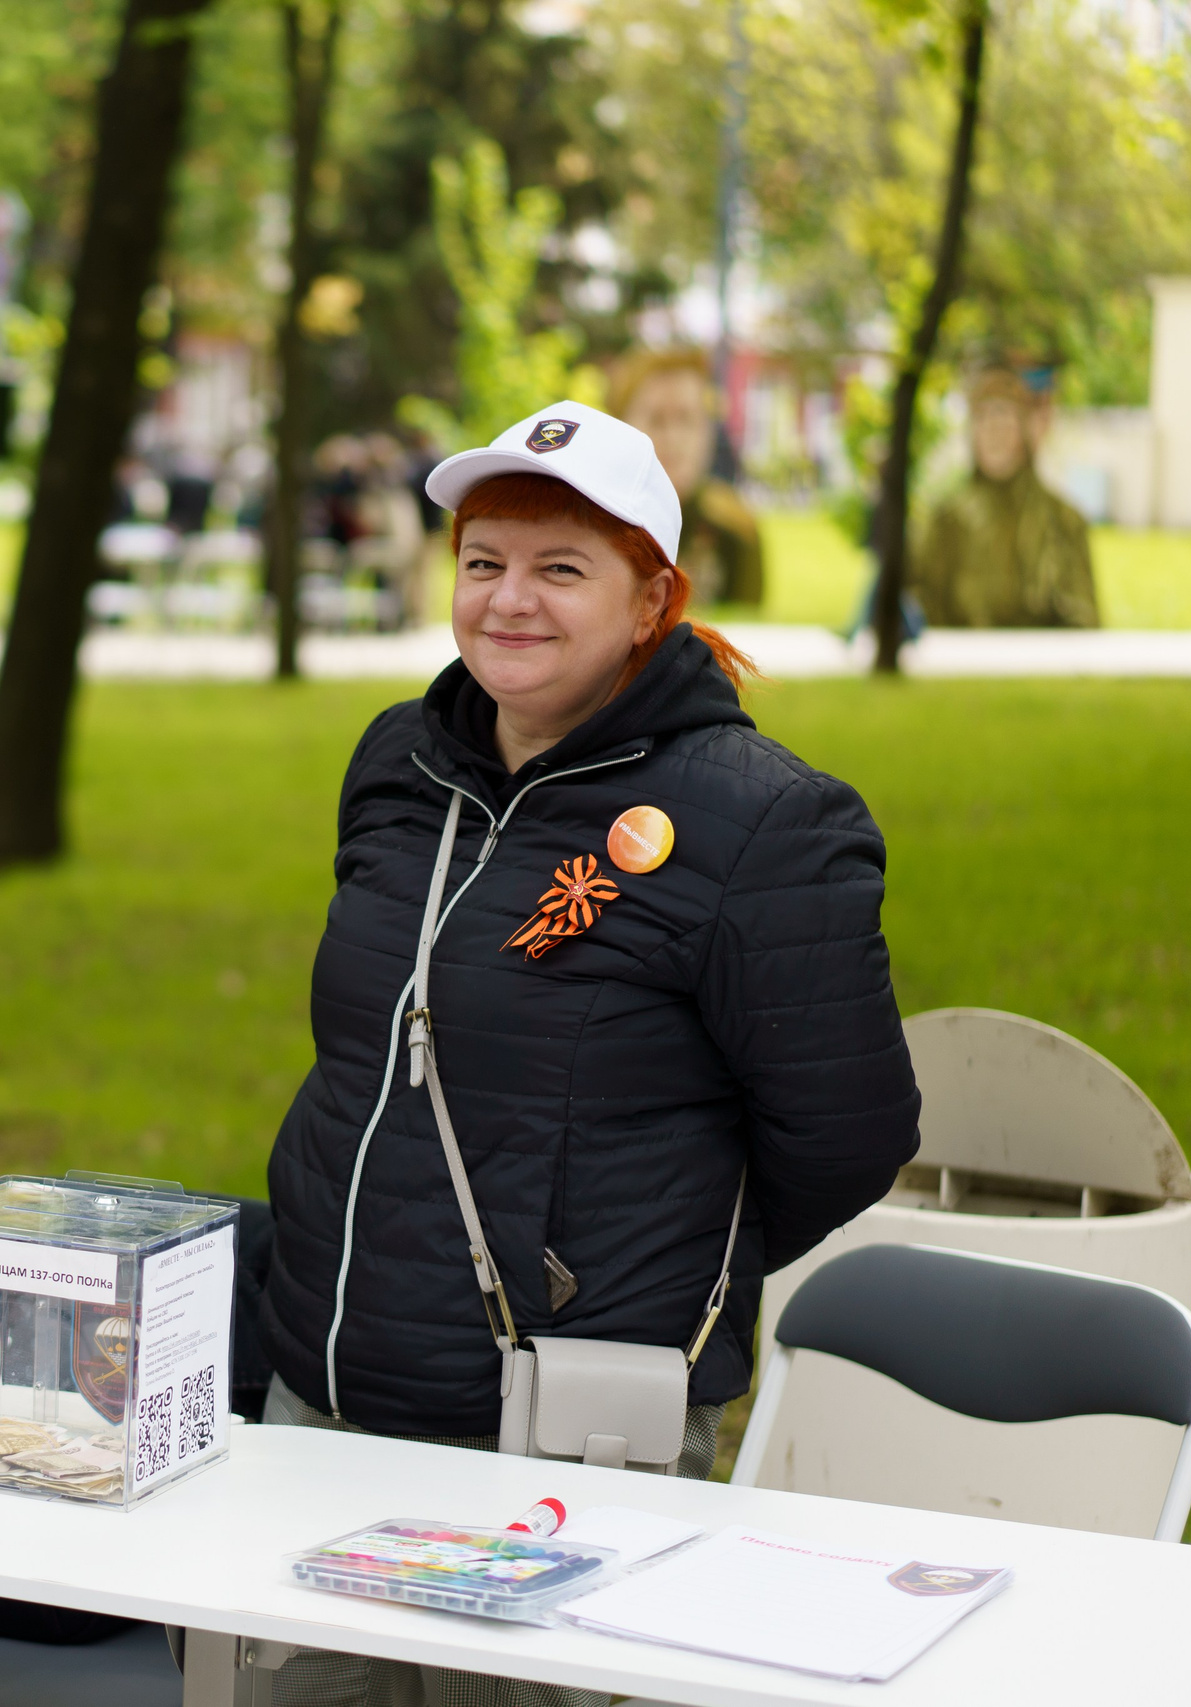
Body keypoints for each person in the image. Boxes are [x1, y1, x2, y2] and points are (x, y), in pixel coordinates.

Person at [259, 401, 919, 1707]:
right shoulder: (398, 761)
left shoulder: (764, 821)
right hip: (324, 1395)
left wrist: (634, 1264)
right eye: (484, 560)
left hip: (554, 1431)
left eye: (561, 568)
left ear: (651, 598)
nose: (509, 600)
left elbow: (849, 1132)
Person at [914, 367, 1098, 628]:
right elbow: (921, 615)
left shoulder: (1062, 520)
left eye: (1004, 415)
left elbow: (1083, 622)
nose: (993, 430)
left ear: (1024, 429)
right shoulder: (946, 521)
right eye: (983, 417)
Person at [611, 349, 766, 608]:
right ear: (621, 426)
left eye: (686, 419)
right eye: (656, 419)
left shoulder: (735, 529)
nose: (673, 438)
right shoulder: (596, 524)